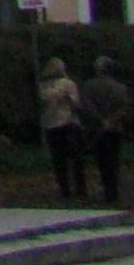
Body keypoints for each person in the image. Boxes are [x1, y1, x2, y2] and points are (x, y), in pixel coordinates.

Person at [79, 54, 134, 204]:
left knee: (101, 161)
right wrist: (111, 120)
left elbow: (86, 106)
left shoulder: (88, 86)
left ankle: (106, 191)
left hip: (95, 129)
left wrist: (99, 120)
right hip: (114, 129)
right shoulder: (120, 87)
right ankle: (113, 192)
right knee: (114, 161)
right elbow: (124, 108)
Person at [37, 55, 85, 200]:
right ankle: (80, 189)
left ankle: (65, 190)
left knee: (59, 160)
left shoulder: (42, 86)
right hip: (68, 122)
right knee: (75, 158)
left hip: (50, 124)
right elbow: (76, 104)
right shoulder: (68, 84)